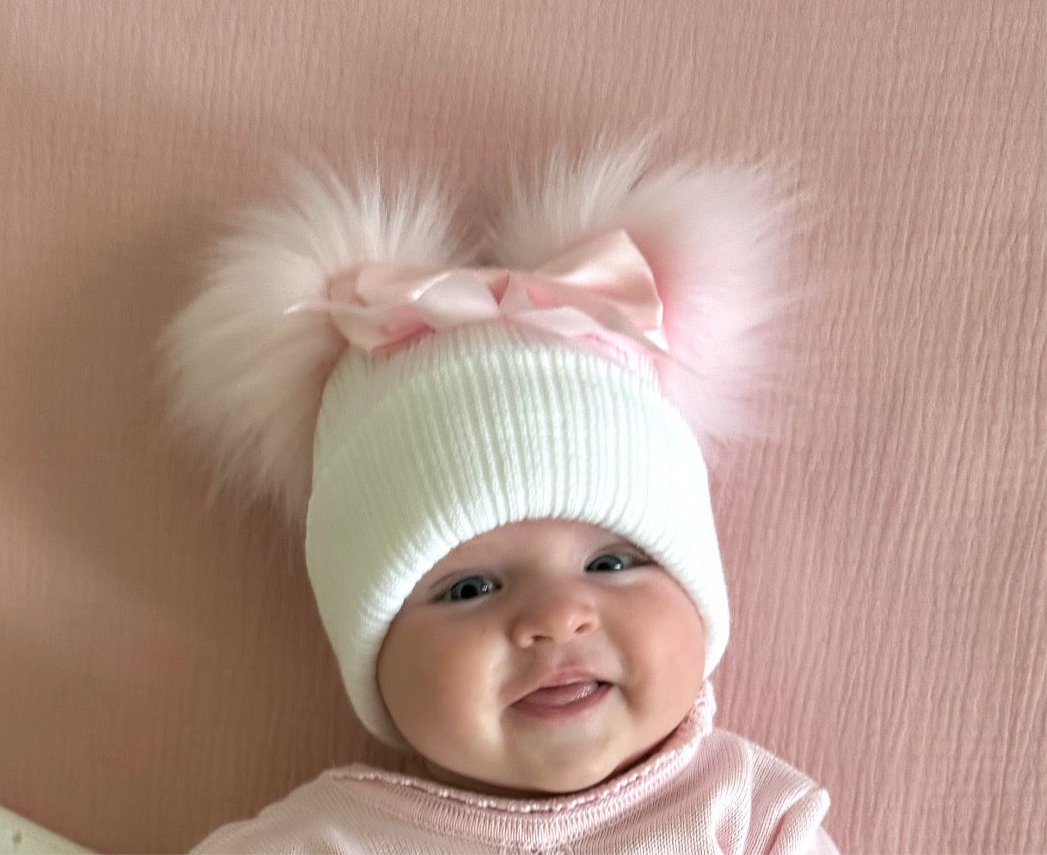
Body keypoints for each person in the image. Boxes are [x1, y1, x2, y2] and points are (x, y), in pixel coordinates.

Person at [162, 146, 839, 854]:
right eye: (470, 587)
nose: (555, 618)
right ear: (372, 655)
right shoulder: (320, 842)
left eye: (610, 563)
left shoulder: (745, 817)